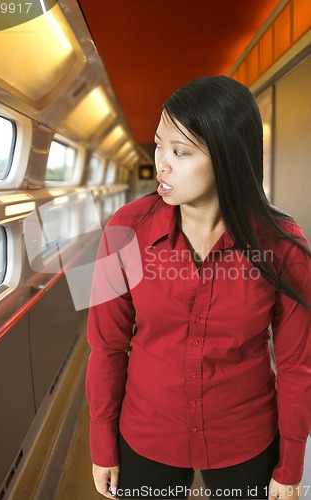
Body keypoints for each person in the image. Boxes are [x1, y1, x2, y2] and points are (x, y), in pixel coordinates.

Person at [85, 76, 311, 500]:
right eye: (158, 145)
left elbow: (298, 365)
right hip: (148, 431)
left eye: (180, 152)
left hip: (243, 436)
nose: (161, 164)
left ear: (228, 158)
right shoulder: (123, 229)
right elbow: (106, 347)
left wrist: (292, 462)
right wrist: (101, 442)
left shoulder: (284, 243)